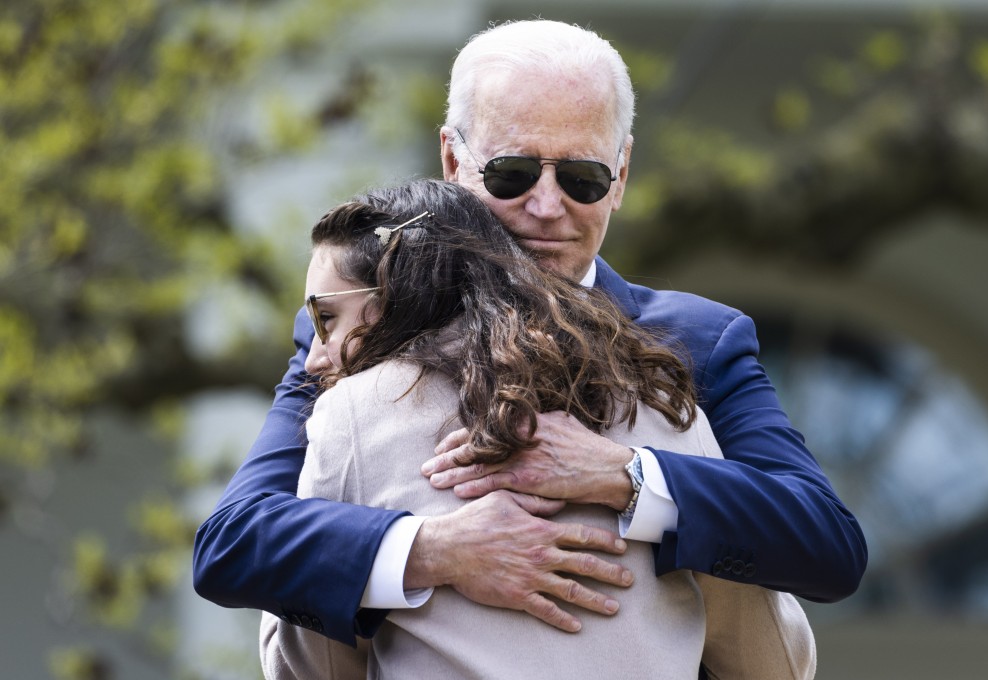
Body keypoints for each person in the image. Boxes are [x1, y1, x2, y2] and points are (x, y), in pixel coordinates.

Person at [193, 19, 867, 648]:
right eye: (512, 173)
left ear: (622, 176)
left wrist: (627, 476)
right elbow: (233, 543)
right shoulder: (365, 321)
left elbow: (826, 544)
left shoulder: (698, 338)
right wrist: (440, 550)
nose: (547, 208)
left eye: (582, 178)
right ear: (453, 162)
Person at [260, 178, 816, 680]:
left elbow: (315, 663)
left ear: (390, 294)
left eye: (325, 317)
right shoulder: (663, 399)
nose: (313, 358)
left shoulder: (350, 415)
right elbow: (776, 665)